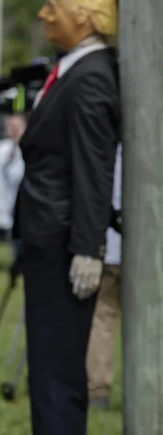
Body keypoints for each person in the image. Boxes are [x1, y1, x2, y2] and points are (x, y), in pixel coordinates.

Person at [17, 0, 120, 435]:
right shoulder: (79, 66)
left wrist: (88, 247)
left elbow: (93, 168)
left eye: (53, 6)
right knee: (47, 378)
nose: (43, 13)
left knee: (57, 381)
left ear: (82, 16)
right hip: (49, 240)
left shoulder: (93, 78)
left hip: (61, 246)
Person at [86, 144, 122, 410]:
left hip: (109, 244)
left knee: (102, 315)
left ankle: (97, 389)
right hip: (141, 247)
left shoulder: (105, 146)